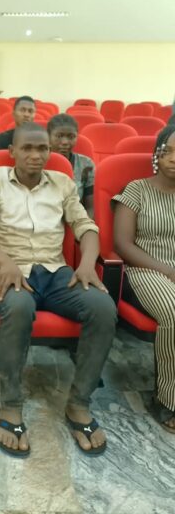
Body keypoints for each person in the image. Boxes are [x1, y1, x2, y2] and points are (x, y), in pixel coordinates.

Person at [0, 122, 117, 458]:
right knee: (19, 307)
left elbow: (86, 227)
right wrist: (4, 262)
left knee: (103, 308)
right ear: (12, 152)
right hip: (11, 270)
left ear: (49, 151)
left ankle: (79, 404)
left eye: (42, 148)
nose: (36, 155)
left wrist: (87, 264)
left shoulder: (62, 183)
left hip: (57, 272)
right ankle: (10, 406)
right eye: (28, 148)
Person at [113, 125, 175, 434]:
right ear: (157, 155)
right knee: (174, 312)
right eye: (169, 152)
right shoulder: (137, 189)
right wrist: (166, 270)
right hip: (145, 269)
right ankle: (167, 398)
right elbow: (123, 244)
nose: (174, 159)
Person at [48, 114, 95, 217]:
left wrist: (85, 224)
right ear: (48, 137)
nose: (65, 142)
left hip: (76, 220)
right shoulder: (37, 161)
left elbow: (90, 207)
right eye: (59, 136)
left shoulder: (86, 164)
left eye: (71, 137)